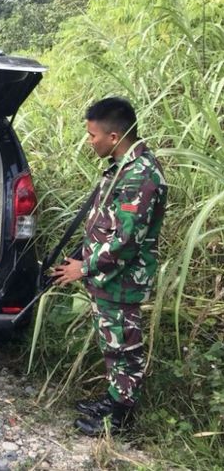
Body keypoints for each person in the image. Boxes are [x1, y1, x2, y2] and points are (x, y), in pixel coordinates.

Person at [52, 97, 167, 436]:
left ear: (114, 137)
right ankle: (114, 399)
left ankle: (119, 419)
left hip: (123, 280)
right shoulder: (123, 168)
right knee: (112, 343)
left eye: (92, 136)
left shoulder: (141, 176)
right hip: (109, 278)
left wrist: (83, 268)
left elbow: (126, 243)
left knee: (124, 347)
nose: (90, 142)